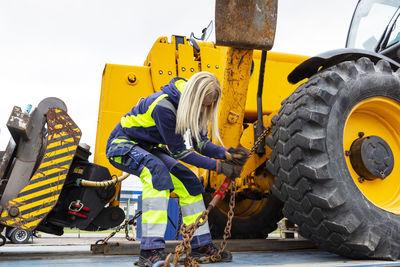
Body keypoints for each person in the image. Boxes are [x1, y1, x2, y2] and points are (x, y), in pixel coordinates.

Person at [106, 71, 249, 266]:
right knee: (155, 172)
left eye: (209, 106)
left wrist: (227, 154)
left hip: (148, 149)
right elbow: (180, 153)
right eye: (204, 104)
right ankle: (150, 250)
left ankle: (200, 245)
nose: (205, 109)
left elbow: (201, 145)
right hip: (122, 145)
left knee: (188, 181)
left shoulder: (196, 106)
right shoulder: (164, 107)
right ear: (196, 98)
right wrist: (219, 167)